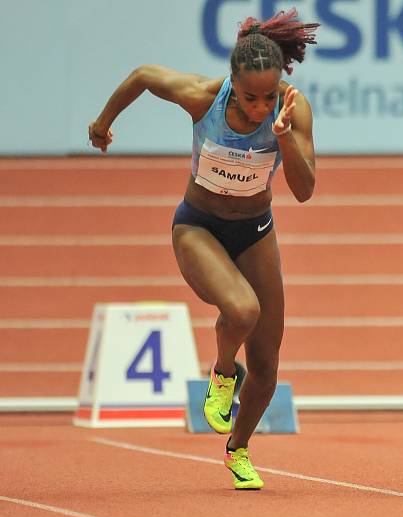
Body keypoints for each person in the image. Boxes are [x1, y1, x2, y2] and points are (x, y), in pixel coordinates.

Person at [88, 9, 320, 488]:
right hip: (198, 228)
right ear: (232, 84)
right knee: (241, 309)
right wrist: (101, 123)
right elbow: (144, 76)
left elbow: (304, 189)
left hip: (256, 232)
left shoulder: (291, 112)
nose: (260, 108)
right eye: (251, 98)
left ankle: (238, 449)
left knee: (268, 366)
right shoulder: (203, 98)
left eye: (269, 96)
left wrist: (284, 139)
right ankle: (220, 373)